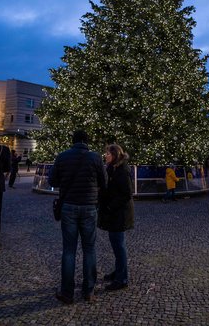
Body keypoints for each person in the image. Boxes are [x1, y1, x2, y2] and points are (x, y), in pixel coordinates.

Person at [49, 130, 106, 304]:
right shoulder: (95, 158)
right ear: (87, 141)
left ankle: (67, 292)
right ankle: (88, 290)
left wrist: (65, 181)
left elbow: (52, 181)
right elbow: (104, 182)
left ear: (73, 141)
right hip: (89, 206)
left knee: (69, 250)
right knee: (89, 249)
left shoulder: (62, 156)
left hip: (69, 206)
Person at [98, 143, 134, 292]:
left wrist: (110, 206)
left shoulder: (122, 170)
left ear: (115, 155)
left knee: (119, 246)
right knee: (116, 244)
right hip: (114, 212)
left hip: (119, 213)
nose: (105, 156)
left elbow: (126, 193)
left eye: (108, 154)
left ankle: (122, 278)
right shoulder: (112, 169)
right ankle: (118, 271)